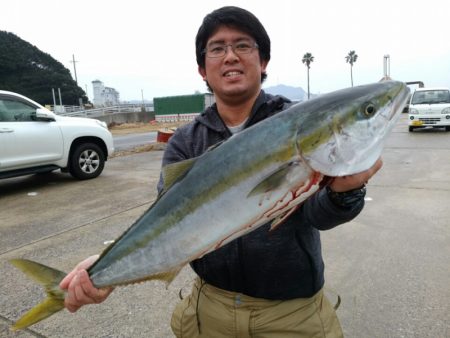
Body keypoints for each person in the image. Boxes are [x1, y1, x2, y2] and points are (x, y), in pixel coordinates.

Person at [60, 6, 382, 337]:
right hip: (209, 309)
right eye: (217, 48)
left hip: (291, 315)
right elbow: (169, 223)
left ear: (263, 61)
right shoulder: (186, 140)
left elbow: (318, 215)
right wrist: (105, 265)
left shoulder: (297, 123)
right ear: (203, 68)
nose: (230, 56)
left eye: (243, 45)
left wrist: (346, 192)